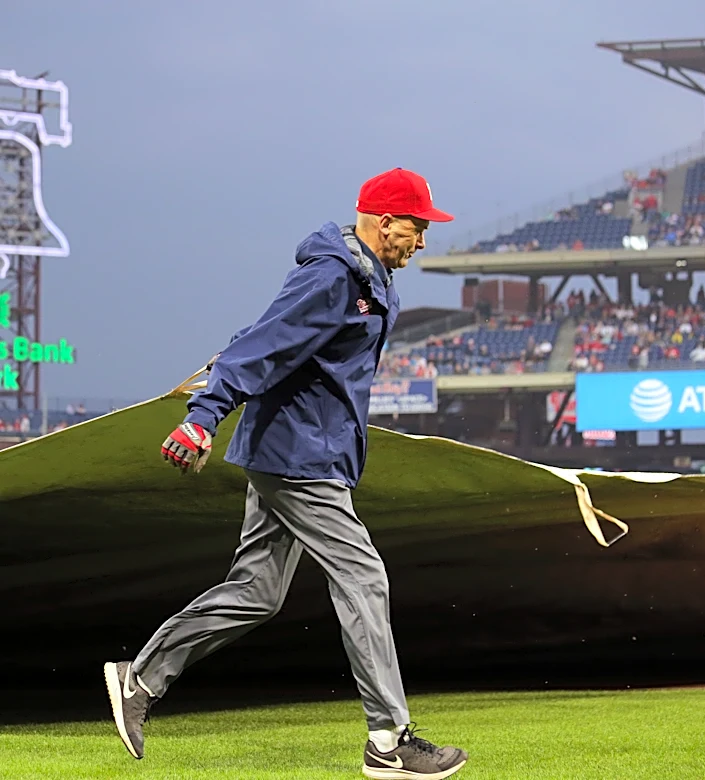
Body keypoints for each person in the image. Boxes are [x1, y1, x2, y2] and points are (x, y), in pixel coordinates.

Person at [103, 168, 469, 779]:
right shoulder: (331, 276)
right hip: (299, 457)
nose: (423, 240)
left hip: (298, 451)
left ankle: (140, 678)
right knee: (363, 575)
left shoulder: (367, 280)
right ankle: (389, 741)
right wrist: (203, 416)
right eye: (418, 226)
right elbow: (257, 346)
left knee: (258, 593)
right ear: (384, 223)